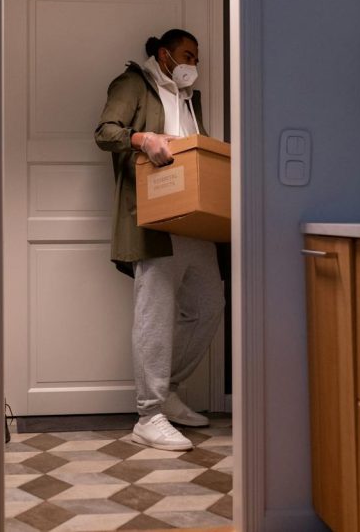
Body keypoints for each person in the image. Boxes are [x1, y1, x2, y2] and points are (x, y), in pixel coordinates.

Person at [94, 29, 225, 451]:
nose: (194, 64)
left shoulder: (190, 97)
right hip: (152, 219)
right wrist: (144, 139)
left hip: (192, 217)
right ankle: (148, 415)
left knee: (208, 305)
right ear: (165, 54)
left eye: (198, 58)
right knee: (154, 314)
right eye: (188, 55)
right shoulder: (133, 84)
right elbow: (104, 132)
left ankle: (167, 389)